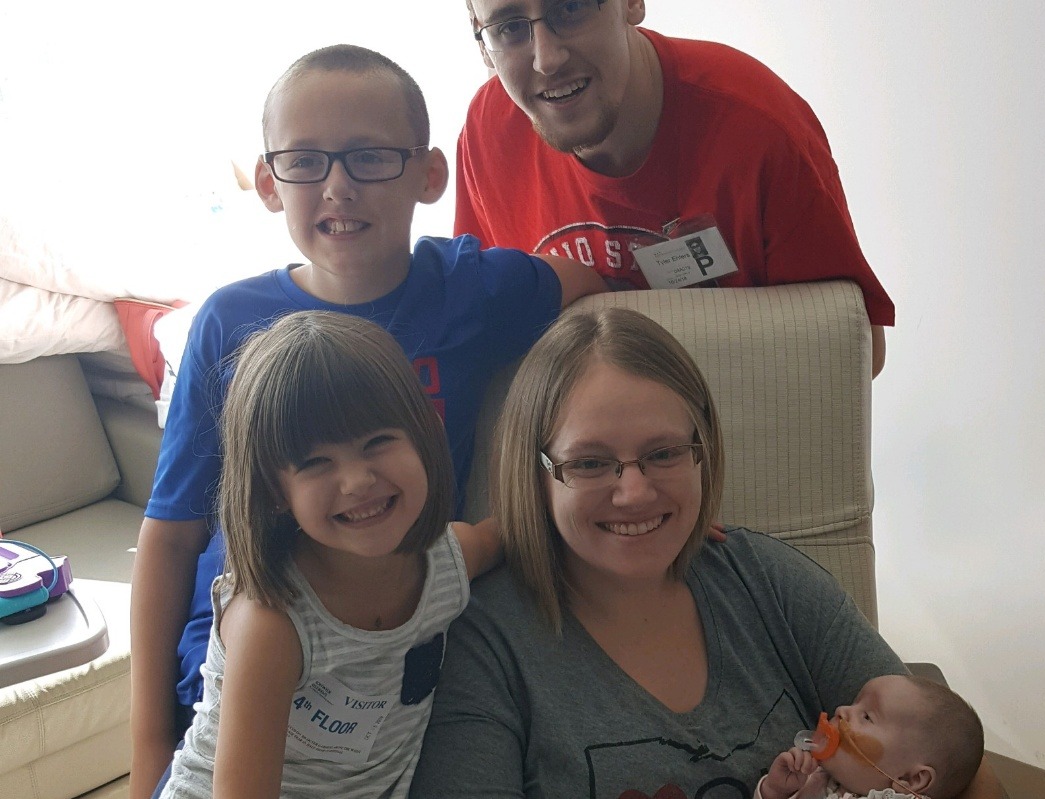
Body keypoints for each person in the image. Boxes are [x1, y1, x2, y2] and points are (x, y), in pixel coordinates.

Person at [129, 44, 607, 799]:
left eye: (371, 157)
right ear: (268, 182)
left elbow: (596, 294)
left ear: (429, 175)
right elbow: (171, 533)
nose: (338, 186)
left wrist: (627, 484)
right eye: (305, 161)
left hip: (391, 662)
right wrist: (149, 745)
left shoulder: (471, 288)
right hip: (242, 670)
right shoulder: (229, 320)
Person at [410, 306, 977, 797]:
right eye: (589, 462)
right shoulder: (483, 642)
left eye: (663, 453)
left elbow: (956, 770)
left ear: (702, 451)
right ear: (535, 474)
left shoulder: (767, 580)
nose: (635, 493)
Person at [156, 311, 495, 799]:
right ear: (275, 491)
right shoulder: (271, 623)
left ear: (426, 437)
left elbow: (517, 533)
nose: (357, 481)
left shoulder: (449, 560)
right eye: (316, 463)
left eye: (377, 442)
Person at [456, 0, 893, 377]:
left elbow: (852, 353)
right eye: (509, 27)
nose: (547, 60)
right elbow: (475, 335)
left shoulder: (759, 130)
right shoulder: (487, 135)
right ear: (480, 40)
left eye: (571, 7)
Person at [756, 675, 985, 799]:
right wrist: (775, 791)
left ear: (911, 779)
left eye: (866, 716)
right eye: (854, 703)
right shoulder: (813, 779)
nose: (842, 710)